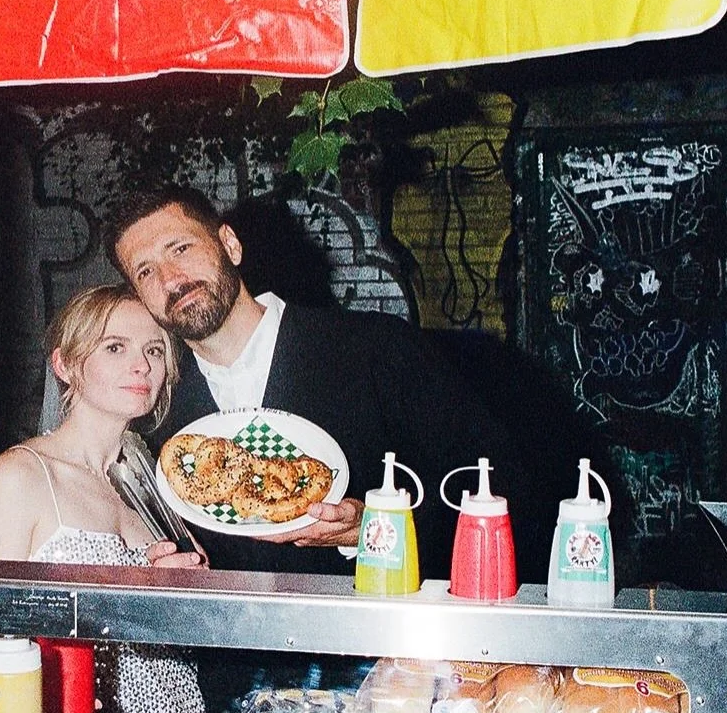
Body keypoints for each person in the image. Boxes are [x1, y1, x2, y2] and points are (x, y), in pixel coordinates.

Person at [104, 185, 533, 580]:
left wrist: (375, 529)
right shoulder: (154, 413)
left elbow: (504, 492)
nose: (170, 279)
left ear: (230, 245)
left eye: (180, 248)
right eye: (144, 272)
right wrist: (173, 567)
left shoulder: (375, 350)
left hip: (372, 653)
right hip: (225, 657)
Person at [0, 284, 209, 713]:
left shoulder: (156, 481)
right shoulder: (19, 477)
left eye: (155, 350)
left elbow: (193, 620)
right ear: (65, 364)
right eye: (115, 347)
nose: (142, 364)